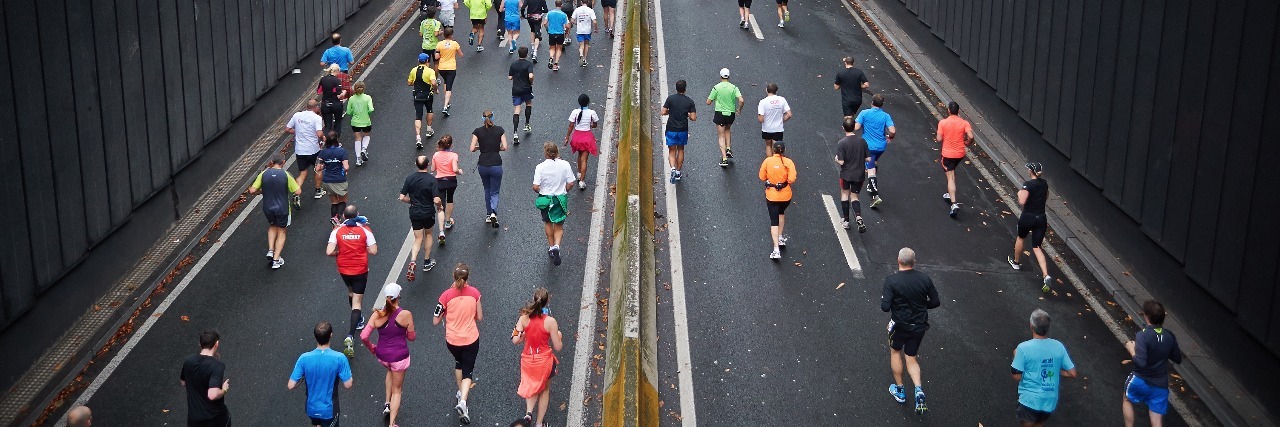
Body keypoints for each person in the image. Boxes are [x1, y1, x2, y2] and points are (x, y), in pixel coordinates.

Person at [881, 248, 939, 414]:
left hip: (900, 325)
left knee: (895, 352)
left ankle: (900, 391)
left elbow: (885, 307)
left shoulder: (891, 281)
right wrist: (921, 306)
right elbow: (935, 302)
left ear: (898, 260)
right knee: (911, 357)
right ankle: (918, 389)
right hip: (919, 325)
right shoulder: (925, 279)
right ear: (914, 262)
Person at [326, 205, 379, 358]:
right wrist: (362, 248)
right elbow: (374, 251)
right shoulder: (365, 230)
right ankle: (350, 335)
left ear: (344, 216)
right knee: (357, 302)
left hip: (344, 269)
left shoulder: (337, 231)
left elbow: (329, 251)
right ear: (357, 215)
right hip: (360, 270)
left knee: (350, 292)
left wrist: (339, 252)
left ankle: (359, 319)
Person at [361, 284, 417, 427]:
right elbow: (411, 337)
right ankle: (392, 423)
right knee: (397, 391)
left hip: (383, 356)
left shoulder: (377, 314)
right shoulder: (406, 315)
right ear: (398, 297)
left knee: (390, 371)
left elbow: (363, 336)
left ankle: (387, 403)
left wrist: (372, 348)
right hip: (399, 357)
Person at [1011, 309, 1078, 426]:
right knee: (1039, 423)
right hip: (1049, 401)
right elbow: (1072, 373)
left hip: (1030, 400)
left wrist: (1016, 357)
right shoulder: (1058, 346)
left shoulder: (1023, 348)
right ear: (1048, 327)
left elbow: (1016, 376)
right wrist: (1053, 368)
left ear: (1031, 326)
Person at [435, 263, 484, 425]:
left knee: (459, 363)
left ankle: (459, 392)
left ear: (453, 277)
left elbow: (435, 320)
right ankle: (463, 401)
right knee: (468, 371)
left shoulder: (445, 296)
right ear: (468, 277)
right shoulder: (475, 293)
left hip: (452, 341)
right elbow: (479, 317)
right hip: (470, 339)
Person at [1123, 301, 1183, 427]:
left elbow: (1141, 363)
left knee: (1127, 399)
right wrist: (1162, 349)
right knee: (1156, 420)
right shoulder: (1169, 336)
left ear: (1146, 316)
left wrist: (1131, 349)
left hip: (1140, 380)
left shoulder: (1142, 335)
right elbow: (1177, 358)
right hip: (1160, 385)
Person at [512, 288, 564, 426]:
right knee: (544, 389)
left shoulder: (524, 318)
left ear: (533, 299)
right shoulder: (550, 322)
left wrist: (522, 334)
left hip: (528, 360)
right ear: (547, 302)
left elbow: (515, 339)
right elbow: (558, 347)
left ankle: (529, 413)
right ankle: (539, 423)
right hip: (544, 361)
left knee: (532, 384)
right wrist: (559, 336)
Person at [288, 321, 354, 427]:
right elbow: (348, 384)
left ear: (315, 337)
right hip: (329, 410)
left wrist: (304, 375)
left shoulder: (304, 358)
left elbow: (291, 385)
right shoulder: (339, 358)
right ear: (331, 335)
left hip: (311, 408)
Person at [248, 157, 302, 269]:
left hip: (268, 207)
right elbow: (298, 191)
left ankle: (271, 250)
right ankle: (276, 260)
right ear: (283, 162)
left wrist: (261, 191)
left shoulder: (263, 174)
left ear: (271, 163)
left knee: (272, 226)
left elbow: (252, 190)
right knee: (282, 231)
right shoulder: (286, 175)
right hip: (282, 208)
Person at [1008, 162, 1053, 292]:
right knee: (1037, 247)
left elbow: (1021, 201)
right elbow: (1046, 196)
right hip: (1041, 218)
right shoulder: (1044, 183)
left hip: (1028, 217)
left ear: (1030, 171)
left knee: (1021, 238)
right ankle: (1046, 275)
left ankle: (1016, 262)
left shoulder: (1027, 184)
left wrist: (1019, 193)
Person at [400, 155, 443, 281]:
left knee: (418, 238)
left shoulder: (410, 178)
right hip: (428, 212)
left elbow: (402, 197)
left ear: (416, 165)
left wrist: (411, 201)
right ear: (428, 165)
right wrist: (440, 206)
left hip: (415, 212)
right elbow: (436, 199)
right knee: (428, 235)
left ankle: (413, 260)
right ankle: (426, 261)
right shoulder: (431, 180)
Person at [533, 142, 576, 265]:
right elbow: (571, 183)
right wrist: (565, 191)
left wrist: (542, 191)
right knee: (559, 225)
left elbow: (535, 186)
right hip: (559, 199)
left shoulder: (540, 167)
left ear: (545, 153)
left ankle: (551, 247)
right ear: (557, 152)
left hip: (546, 199)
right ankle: (557, 246)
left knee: (548, 222)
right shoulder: (565, 164)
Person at [181, 330, 230, 427]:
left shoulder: (189, 361)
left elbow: (183, 382)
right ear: (216, 344)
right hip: (215, 418)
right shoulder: (217, 366)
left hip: (194, 419)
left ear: (200, 344)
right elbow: (212, 395)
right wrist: (224, 389)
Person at [854, 94, 895, 208]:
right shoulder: (886, 116)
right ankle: (870, 186)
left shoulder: (864, 113)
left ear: (872, 102)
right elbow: (892, 131)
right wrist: (890, 137)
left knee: (870, 170)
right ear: (882, 104)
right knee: (874, 162)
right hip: (881, 147)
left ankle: (875, 195)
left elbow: (856, 127)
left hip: (868, 146)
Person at [936, 101, 974, 218]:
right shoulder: (964, 123)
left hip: (947, 154)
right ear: (958, 111)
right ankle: (948, 193)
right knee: (952, 171)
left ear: (948, 110)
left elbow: (939, 139)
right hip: (960, 154)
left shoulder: (943, 123)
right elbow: (971, 136)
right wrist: (967, 143)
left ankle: (954, 203)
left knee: (950, 177)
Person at [758, 141, 796, 260]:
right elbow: (792, 179)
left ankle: (776, 250)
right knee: (781, 213)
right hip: (786, 196)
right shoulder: (788, 162)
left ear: (773, 150)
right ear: (784, 150)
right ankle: (780, 237)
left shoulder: (767, 161)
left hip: (772, 196)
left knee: (774, 221)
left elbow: (762, 177)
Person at [471, 110, 509, 226]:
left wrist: (481, 147)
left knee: (487, 189)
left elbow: (472, 148)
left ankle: (488, 214)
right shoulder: (500, 130)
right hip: (496, 163)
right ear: (493, 117)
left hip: (483, 164)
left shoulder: (477, 131)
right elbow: (505, 147)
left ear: (483, 118)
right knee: (495, 191)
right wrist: (496, 148)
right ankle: (493, 212)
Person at [834, 117, 869, 233]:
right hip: (859, 174)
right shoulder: (862, 141)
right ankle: (858, 216)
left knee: (845, 194)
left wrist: (836, 159)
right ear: (854, 127)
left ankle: (846, 220)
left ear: (843, 128)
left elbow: (841, 161)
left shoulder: (842, 143)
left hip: (846, 174)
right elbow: (868, 158)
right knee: (854, 197)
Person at [286, 100, 326, 200]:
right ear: (316, 107)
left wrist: (297, 131)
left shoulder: (297, 115)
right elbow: (319, 134)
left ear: (306, 106)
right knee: (318, 169)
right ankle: (318, 191)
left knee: (303, 172)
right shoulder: (317, 118)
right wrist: (323, 138)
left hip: (300, 150)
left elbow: (287, 129)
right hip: (313, 150)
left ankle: (296, 192)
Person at [707, 68, 744, 167]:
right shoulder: (734, 87)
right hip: (731, 113)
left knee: (721, 135)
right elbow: (741, 100)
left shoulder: (716, 87)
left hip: (720, 113)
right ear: (729, 76)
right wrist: (739, 109)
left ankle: (724, 158)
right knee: (727, 129)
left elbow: (708, 102)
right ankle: (728, 148)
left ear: (720, 76)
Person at [661, 79, 697, 183]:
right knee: (681, 149)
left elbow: (663, 112)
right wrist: (688, 114)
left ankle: (672, 168)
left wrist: (670, 111)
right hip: (682, 129)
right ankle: (677, 172)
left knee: (672, 151)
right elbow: (693, 118)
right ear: (685, 89)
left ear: (676, 88)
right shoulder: (689, 101)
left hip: (671, 129)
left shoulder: (671, 99)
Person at [563, 94, 600, 189]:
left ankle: (579, 173)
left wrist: (567, 137)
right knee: (584, 160)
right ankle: (582, 181)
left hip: (577, 137)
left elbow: (571, 125)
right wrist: (590, 125)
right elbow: (595, 125)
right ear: (588, 102)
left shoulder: (575, 112)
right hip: (587, 138)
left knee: (579, 155)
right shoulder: (592, 113)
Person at [432, 135, 462, 243]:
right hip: (451, 181)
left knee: (440, 206)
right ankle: (448, 221)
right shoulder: (454, 155)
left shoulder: (436, 155)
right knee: (450, 199)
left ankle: (441, 231)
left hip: (439, 181)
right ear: (451, 145)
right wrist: (459, 171)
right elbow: (455, 169)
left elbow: (433, 168)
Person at [315, 133, 351, 225]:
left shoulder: (322, 152)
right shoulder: (341, 151)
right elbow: (346, 167)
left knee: (334, 202)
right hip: (339, 179)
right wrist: (343, 170)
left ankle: (334, 221)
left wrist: (326, 165)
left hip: (327, 181)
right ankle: (337, 218)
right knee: (343, 200)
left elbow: (318, 168)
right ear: (336, 140)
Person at [408, 53, 439, 149]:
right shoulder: (430, 71)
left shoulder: (413, 70)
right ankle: (429, 129)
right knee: (429, 110)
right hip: (428, 95)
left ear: (418, 61)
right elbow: (433, 82)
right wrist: (435, 89)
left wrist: (416, 83)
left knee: (418, 116)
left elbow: (409, 83)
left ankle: (418, 137)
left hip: (417, 95)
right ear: (427, 61)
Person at [756, 83, 792, 156]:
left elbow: (761, 119)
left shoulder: (763, 102)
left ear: (766, 90)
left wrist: (759, 118)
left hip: (767, 128)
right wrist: (782, 120)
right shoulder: (782, 100)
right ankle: (777, 161)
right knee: (777, 146)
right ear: (776, 91)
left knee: (768, 145)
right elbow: (789, 114)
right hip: (778, 128)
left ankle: (770, 161)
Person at [510, 46, 536, 142]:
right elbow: (531, 75)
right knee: (528, 103)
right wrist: (531, 81)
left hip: (516, 89)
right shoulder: (528, 64)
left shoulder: (513, 64)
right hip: (526, 89)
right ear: (527, 54)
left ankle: (515, 133)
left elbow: (510, 77)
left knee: (517, 110)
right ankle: (527, 124)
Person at [435, 28, 463, 116]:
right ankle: (445, 106)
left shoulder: (439, 44)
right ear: (451, 35)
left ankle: (447, 101)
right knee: (449, 87)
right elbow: (461, 55)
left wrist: (442, 54)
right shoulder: (455, 44)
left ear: (444, 35)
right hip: (451, 68)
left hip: (442, 68)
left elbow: (436, 57)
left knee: (446, 82)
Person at [346, 81, 375, 166]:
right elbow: (371, 109)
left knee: (357, 138)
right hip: (366, 121)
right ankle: (364, 149)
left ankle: (358, 158)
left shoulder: (351, 99)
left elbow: (348, 111)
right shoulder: (367, 98)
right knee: (367, 135)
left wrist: (354, 113)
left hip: (355, 122)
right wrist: (367, 114)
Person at [318, 65, 347, 137]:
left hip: (325, 104)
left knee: (327, 125)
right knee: (338, 123)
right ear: (336, 71)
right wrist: (344, 92)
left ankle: (326, 140)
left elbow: (319, 91)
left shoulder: (323, 79)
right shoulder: (337, 81)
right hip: (336, 104)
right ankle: (336, 140)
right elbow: (339, 95)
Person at [543, 1, 570, 70]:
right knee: (559, 48)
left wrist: (548, 29)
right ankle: (555, 64)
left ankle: (551, 57)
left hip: (551, 33)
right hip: (560, 33)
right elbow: (567, 26)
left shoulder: (549, 13)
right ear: (561, 5)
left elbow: (545, 23)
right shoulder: (564, 15)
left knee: (552, 48)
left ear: (555, 4)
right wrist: (566, 31)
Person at [571, 0, 596, 67]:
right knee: (586, 44)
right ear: (588, 2)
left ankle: (581, 54)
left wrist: (577, 23)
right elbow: (594, 21)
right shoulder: (590, 10)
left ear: (581, 2)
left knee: (581, 45)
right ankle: (584, 59)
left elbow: (572, 20)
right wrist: (596, 28)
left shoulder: (577, 10)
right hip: (587, 30)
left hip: (580, 30)